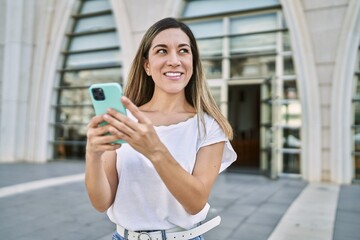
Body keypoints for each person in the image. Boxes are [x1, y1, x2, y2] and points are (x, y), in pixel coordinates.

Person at [85, 17, 237, 240]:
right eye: (162, 51)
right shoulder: (123, 120)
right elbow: (101, 203)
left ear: (193, 64)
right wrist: (93, 155)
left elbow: (196, 202)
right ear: (147, 65)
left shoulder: (209, 126)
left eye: (183, 51)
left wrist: (155, 150)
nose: (174, 60)